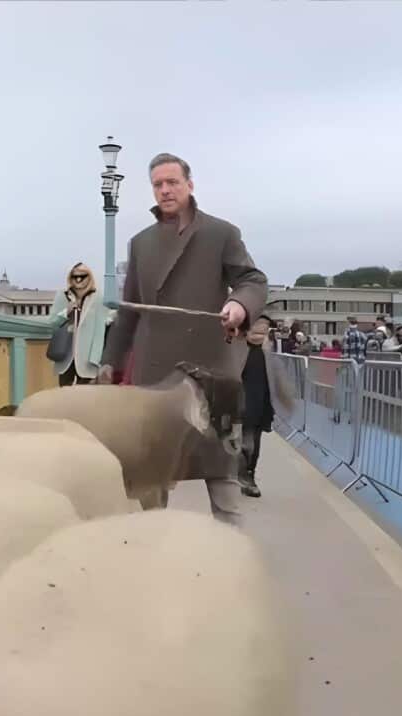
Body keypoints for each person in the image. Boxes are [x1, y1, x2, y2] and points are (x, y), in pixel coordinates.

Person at [98, 152, 268, 525]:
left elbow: (252, 281)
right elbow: (129, 309)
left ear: (189, 185)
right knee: (151, 471)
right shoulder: (140, 243)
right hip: (154, 371)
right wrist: (111, 361)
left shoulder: (220, 233)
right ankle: (154, 547)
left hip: (209, 370)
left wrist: (239, 306)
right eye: (158, 184)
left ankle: (231, 551)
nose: (165, 190)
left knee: (219, 465)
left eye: (172, 182)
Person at [47, 262, 112, 386]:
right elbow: (52, 323)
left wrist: (95, 359)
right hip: (65, 355)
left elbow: (100, 330)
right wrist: (67, 311)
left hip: (87, 359)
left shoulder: (98, 298)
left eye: (83, 276)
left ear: (89, 277)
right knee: (64, 396)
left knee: (85, 397)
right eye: (74, 276)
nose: (78, 279)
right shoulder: (63, 295)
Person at [239, 313, 275, 498]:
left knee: (253, 444)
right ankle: (241, 477)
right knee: (244, 444)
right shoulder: (236, 348)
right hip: (239, 403)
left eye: (264, 329)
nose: (260, 332)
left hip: (260, 403)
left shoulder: (268, 352)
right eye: (256, 327)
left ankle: (248, 475)